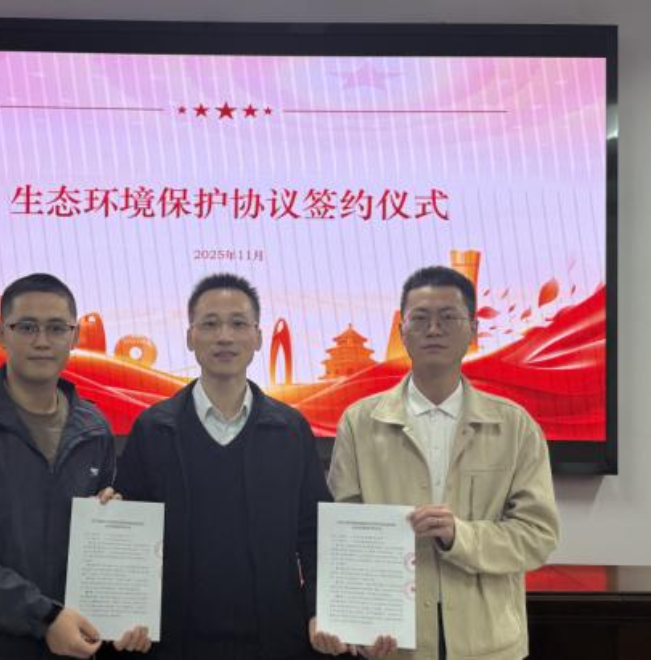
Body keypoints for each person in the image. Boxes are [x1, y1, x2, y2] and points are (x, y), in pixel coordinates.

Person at [0, 273, 150, 659]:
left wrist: (110, 522)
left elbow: (89, 549)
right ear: (0, 333)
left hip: (65, 647)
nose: (42, 341)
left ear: (75, 337)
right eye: (27, 327)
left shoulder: (94, 429)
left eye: (57, 328)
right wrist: (44, 617)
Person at [325, 266, 560, 660]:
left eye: (448, 317)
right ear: (402, 331)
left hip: (487, 643)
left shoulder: (515, 426)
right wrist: (358, 623)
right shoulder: (360, 423)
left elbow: (538, 536)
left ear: (474, 330)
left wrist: (458, 536)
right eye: (420, 318)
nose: (433, 329)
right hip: (393, 642)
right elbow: (346, 536)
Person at [111, 273, 332, 660]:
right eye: (210, 324)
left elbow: (314, 533)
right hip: (175, 642)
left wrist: (321, 610)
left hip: (275, 641)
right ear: (190, 337)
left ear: (258, 337)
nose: (224, 337)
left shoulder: (290, 430)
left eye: (238, 324)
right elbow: (127, 537)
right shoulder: (154, 429)